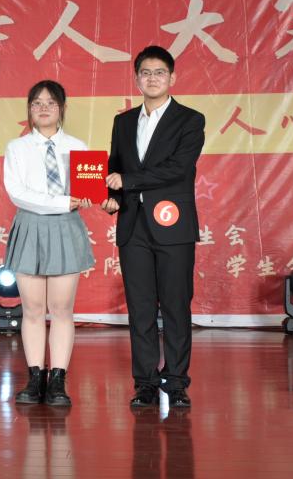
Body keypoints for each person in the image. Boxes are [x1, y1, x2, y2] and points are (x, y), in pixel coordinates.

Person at [100, 45, 205, 409]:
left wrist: (127, 182)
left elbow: (178, 168)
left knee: (176, 305)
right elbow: (114, 165)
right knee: (141, 308)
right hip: (133, 226)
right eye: (145, 73)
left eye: (160, 72)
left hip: (173, 225)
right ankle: (144, 382)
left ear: (172, 77)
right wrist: (111, 196)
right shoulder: (124, 121)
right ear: (136, 79)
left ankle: (175, 381)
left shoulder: (190, 120)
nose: (152, 78)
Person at [2, 80, 95, 406]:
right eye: (37, 103)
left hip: (66, 228)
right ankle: (34, 378)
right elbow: (17, 193)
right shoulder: (17, 147)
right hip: (30, 226)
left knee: (62, 309)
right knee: (32, 309)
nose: (43, 108)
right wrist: (62, 202)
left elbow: (89, 192)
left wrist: (93, 195)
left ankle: (57, 380)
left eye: (50, 102)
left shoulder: (79, 147)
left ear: (62, 108)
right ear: (29, 109)